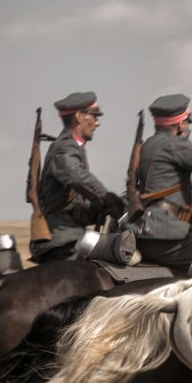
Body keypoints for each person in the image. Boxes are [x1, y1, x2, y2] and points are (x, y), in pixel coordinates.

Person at [130, 93, 192, 272]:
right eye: (187, 122)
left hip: (148, 232)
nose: (188, 127)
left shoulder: (150, 144)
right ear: (179, 123)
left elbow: (161, 193)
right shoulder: (175, 145)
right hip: (163, 237)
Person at [30, 92, 124, 263]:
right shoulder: (64, 148)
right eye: (94, 116)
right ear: (79, 116)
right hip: (62, 241)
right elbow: (76, 177)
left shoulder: (73, 148)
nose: (97, 122)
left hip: (72, 236)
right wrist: (106, 198)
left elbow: (76, 202)